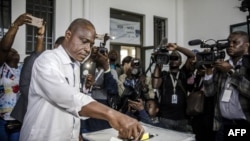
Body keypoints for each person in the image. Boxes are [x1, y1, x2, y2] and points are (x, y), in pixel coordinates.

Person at [19, 18, 144, 141]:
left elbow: (73, 106)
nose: (88, 49)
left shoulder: (75, 65)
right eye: (84, 41)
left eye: (90, 44)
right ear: (68, 35)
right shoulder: (48, 60)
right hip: (43, 136)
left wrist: (74, 133)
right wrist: (113, 115)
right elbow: (68, 98)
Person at [203, 31, 250, 141]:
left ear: (247, 45)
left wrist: (230, 71)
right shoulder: (222, 65)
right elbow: (209, 92)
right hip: (223, 123)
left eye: (235, 42)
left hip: (244, 125)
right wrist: (209, 70)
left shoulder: (247, 66)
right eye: (229, 42)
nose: (230, 45)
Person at [0, 13, 32, 141]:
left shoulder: (22, 69)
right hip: (1, 119)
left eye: (16, 51)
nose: (14, 52)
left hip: (18, 118)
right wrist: (16, 25)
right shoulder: (1, 69)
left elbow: (34, 57)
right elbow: (4, 48)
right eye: (10, 51)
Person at [152, 39, 195, 132]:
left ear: (180, 62)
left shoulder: (184, 73)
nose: (174, 60)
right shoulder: (164, 74)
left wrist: (177, 48)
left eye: (176, 58)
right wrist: (158, 63)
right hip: (165, 117)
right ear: (168, 60)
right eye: (171, 58)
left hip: (182, 118)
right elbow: (155, 85)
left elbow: (192, 56)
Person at [80, 46, 119, 132]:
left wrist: (106, 67)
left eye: (104, 53)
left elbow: (112, 90)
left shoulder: (112, 71)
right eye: (99, 53)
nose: (101, 56)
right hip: (89, 104)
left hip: (104, 106)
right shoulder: (89, 68)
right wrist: (90, 57)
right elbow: (81, 85)